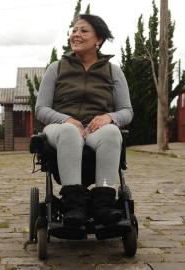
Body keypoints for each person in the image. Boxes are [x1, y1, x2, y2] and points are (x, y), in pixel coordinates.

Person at [35, 14, 133, 227]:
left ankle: (103, 204)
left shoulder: (112, 71)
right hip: (60, 128)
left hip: (95, 130)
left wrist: (110, 117)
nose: (76, 35)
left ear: (98, 39)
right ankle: (74, 205)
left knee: (112, 132)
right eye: (74, 30)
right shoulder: (56, 68)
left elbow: (126, 111)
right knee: (70, 132)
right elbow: (41, 109)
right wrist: (67, 119)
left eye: (83, 31)